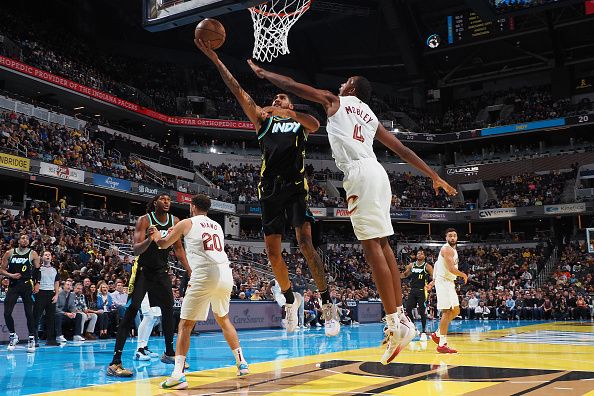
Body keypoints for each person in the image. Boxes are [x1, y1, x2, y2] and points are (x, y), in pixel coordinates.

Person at [247, 60, 457, 364]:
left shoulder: (337, 101)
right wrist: (432, 175)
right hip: (379, 174)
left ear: (353, 88)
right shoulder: (370, 114)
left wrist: (264, 74)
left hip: (359, 175)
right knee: (383, 245)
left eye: (345, 81)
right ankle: (401, 319)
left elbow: (294, 87)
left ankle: (393, 323)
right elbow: (402, 150)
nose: (340, 85)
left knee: (373, 248)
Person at [196, 39, 340, 337]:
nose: (277, 99)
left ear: (289, 104)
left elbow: (315, 123)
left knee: (305, 244)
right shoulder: (262, 120)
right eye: (275, 98)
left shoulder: (299, 121)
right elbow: (237, 89)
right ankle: (289, 301)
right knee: (273, 253)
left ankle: (327, 304)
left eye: (282, 98)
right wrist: (214, 58)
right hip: (269, 189)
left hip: (296, 187)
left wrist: (291, 112)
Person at [154, 194, 249, 390]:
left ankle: (178, 374)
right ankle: (242, 363)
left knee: (185, 325)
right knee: (223, 318)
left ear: (193, 206)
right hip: (225, 273)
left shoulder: (187, 222)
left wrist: (155, 234)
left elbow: (163, 244)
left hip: (205, 273)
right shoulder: (217, 226)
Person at [107, 193, 191, 377]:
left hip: (161, 272)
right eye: (163, 199)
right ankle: (115, 363)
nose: (167, 202)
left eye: (169, 199)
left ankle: (169, 353)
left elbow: (178, 250)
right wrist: (150, 239)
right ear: (155, 203)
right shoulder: (144, 220)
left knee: (169, 311)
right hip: (143, 271)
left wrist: (190, 271)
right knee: (131, 312)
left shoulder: (175, 220)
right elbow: (136, 249)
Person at [426, 228, 468, 354]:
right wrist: (463, 275)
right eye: (450, 236)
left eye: (454, 235)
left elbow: (438, 265)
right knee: (447, 311)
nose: (453, 238)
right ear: (446, 238)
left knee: (456, 310)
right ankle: (442, 344)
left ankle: (438, 333)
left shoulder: (452, 250)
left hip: (449, 282)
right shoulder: (446, 249)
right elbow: (450, 268)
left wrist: (433, 281)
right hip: (444, 281)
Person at [1, 233, 40, 352]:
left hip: (27, 284)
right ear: (18, 240)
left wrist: (37, 283)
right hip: (13, 284)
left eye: (27, 238)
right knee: (7, 312)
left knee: (29, 313)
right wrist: (10, 275)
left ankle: (32, 338)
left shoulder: (33, 254)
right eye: (23, 238)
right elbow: (1, 269)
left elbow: (38, 270)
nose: (25, 240)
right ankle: (13, 335)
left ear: (29, 242)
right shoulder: (10, 253)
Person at [401, 248, 433, 339]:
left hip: (422, 290)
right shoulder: (411, 265)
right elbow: (405, 275)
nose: (419, 254)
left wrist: (431, 285)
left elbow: (434, 277)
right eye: (418, 253)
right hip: (413, 290)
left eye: (421, 253)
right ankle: (413, 327)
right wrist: (395, 275)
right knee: (408, 309)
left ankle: (423, 329)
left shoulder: (427, 266)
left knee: (422, 311)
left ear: (424, 256)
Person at [33, 250, 59, 347]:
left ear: (51, 257)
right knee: (36, 316)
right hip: (40, 293)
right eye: (45, 255)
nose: (47, 256)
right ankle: (34, 339)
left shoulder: (55, 269)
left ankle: (51, 340)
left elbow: (56, 282)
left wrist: (56, 295)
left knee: (51, 318)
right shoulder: (38, 269)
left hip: (51, 294)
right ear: (42, 257)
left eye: (49, 255)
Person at [133, 293, 162, 361]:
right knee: (148, 316)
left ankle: (144, 346)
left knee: (154, 318)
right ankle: (139, 349)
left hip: (156, 291)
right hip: (146, 290)